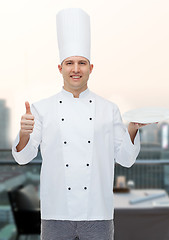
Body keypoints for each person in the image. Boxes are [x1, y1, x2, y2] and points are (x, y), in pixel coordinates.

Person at [12, 8, 150, 240]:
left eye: (82, 63)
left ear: (91, 68)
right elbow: (23, 157)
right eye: (69, 63)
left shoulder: (109, 109)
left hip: (97, 212)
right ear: (60, 68)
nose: (76, 69)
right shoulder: (41, 108)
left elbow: (126, 160)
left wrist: (133, 128)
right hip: (56, 211)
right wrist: (24, 133)